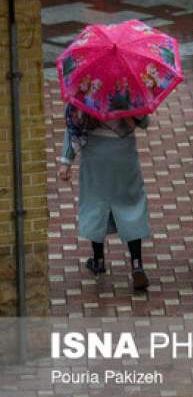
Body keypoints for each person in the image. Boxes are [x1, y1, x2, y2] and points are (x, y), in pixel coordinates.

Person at [58, 107, 152, 291]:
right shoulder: (128, 89)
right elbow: (145, 122)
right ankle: (136, 263)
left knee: (96, 203)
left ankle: (99, 259)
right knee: (131, 204)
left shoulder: (85, 90)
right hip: (124, 155)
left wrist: (65, 162)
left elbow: (73, 127)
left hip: (95, 156)